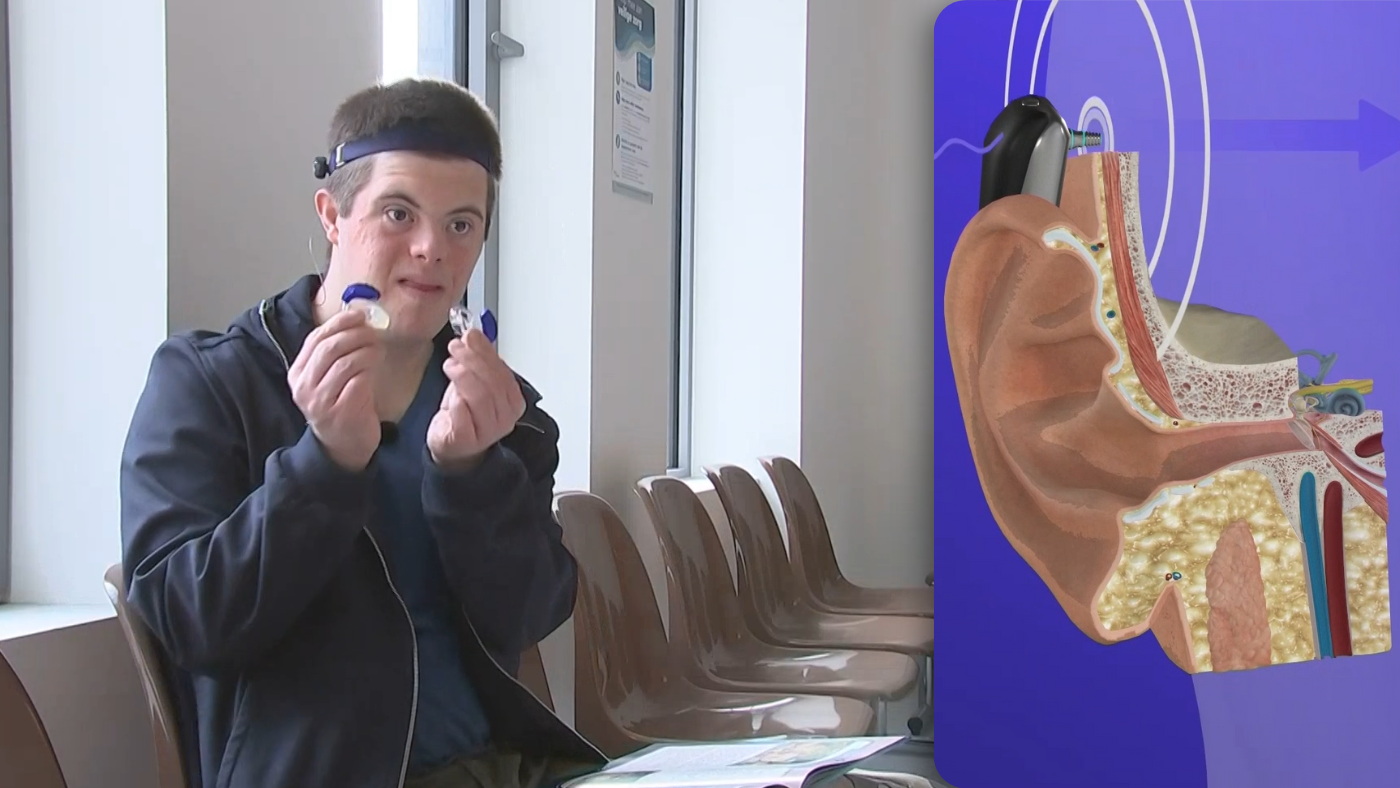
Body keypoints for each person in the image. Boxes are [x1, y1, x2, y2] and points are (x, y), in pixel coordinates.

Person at [119, 77, 606, 788]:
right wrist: (323, 466)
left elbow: (529, 615)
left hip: (501, 768)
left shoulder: (505, 415)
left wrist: (473, 477)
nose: (431, 249)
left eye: (462, 224)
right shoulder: (210, 384)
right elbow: (192, 624)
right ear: (333, 215)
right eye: (398, 213)